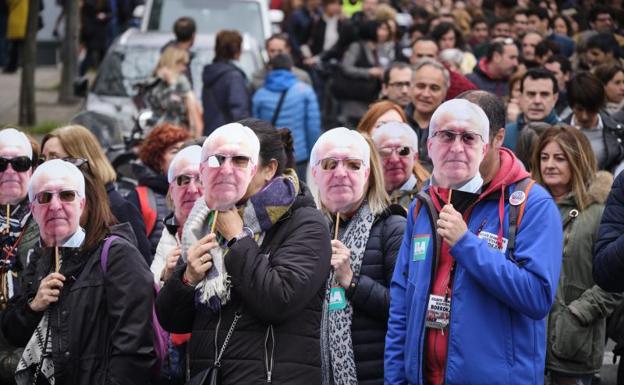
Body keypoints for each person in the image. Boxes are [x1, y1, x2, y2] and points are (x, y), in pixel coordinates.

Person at [385, 99, 563, 385]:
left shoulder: (533, 203)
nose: (457, 147)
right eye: (446, 136)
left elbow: (537, 297)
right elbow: (401, 304)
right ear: (430, 145)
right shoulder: (424, 204)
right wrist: (395, 379)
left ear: (491, 141)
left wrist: (466, 245)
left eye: (469, 137)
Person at [155, 122, 331, 383]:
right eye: (219, 160)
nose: (227, 170)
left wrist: (239, 239)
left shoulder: (305, 223)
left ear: (268, 170)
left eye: (239, 160)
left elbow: (279, 299)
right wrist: (186, 278)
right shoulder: (206, 220)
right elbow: (172, 320)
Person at [2, 159, 156, 384]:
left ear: (82, 204)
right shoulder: (39, 258)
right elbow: (12, 332)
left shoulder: (117, 255)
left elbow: (135, 350)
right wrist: (34, 306)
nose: (55, 206)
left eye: (66, 195)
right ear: (33, 209)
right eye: (45, 197)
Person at [309, 127, 405, 384]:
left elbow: (403, 310)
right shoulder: (310, 232)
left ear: (367, 175)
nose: (341, 174)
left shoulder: (392, 228)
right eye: (330, 165)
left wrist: (351, 280)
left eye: (353, 165)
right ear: (316, 174)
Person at [530, 125, 621, 385]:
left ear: (577, 160)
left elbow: (615, 281)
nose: (550, 164)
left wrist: (577, 314)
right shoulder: (525, 209)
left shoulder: (599, 214)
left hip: (574, 347)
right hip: (528, 344)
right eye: (544, 157)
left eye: (560, 158)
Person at [40, 124, 152, 262]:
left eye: (53, 158)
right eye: (42, 160)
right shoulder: (46, 206)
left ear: (79, 161)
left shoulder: (118, 208)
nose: (44, 167)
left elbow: (141, 270)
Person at [0, 128, 39, 384]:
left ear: (32, 171)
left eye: (21, 163)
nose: (10, 171)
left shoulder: (49, 218)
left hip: (27, 353)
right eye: (1, 164)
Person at [252, 53, 321, 180]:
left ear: (271, 69)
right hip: (298, 154)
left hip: (270, 155)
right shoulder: (305, 91)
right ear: (291, 68)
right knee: (298, 193)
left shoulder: (260, 95)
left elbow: (255, 128)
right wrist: (314, 154)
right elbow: (313, 127)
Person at [127, 123, 191, 255]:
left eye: (184, 150)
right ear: (158, 160)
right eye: (174, 151)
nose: (181, 156)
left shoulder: (199, 192)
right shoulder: (139, 199)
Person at [563, 71, 624, 174]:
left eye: (591, 110)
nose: (585, 116)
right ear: (571, 106)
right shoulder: (558, 132)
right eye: (579, 109)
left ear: (599, 105)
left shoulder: (616, 131)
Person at [143, 46, 203, 137]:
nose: (184, 68)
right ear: (173, 62)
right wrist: (171, 85)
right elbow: (166, 104)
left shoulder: (181, 81)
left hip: (178, 132)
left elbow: (192, 109)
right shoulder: (154, 83)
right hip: (160, 132)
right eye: (182, 64)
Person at [201, 30, 251, 135]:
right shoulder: (233, 76)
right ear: (236, 49)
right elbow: (239, 112)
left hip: (211, 134)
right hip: (229, 137)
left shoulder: (211, 72)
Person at [405, 58, 450, 171]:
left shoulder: (454, 128)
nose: (426, 94)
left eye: (434, 88)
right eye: (420, 86)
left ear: (445, 92)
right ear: (411, 87)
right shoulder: (397, 120)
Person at [371, 121, 429, 209]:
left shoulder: (428, 198)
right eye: (385, 152)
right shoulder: (363, 198)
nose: (394, 159)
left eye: (403, 151)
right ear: (374, 158)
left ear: (415, 157)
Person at [504, 68, 561, 151]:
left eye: (544, 94)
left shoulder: (568, 136)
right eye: (531, 94)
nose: (537, 101)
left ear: (555, 98)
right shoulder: (504, 135)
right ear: (520, 97)